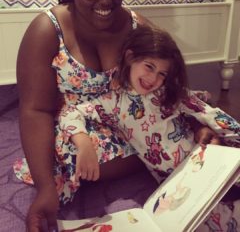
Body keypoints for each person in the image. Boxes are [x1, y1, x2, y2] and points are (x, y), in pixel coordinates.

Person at [12, 0, 233, 232]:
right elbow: (35, 110)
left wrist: (195, 126)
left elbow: (167, 82)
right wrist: (45, 189)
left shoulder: (135, 26)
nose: (105, 0)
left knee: (191, 136)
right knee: (67, 159)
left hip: (134, 119)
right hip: (79, 126)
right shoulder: (46, 29)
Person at [59, 26, 240, 183]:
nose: (153, 79)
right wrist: (83, 143)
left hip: (207, 160)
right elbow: (70, 113)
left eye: (162, 74)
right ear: (130, 57)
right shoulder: (112, 102)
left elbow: (212, 115)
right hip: (176, 185)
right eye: (149, 66)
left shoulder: (167, 92)